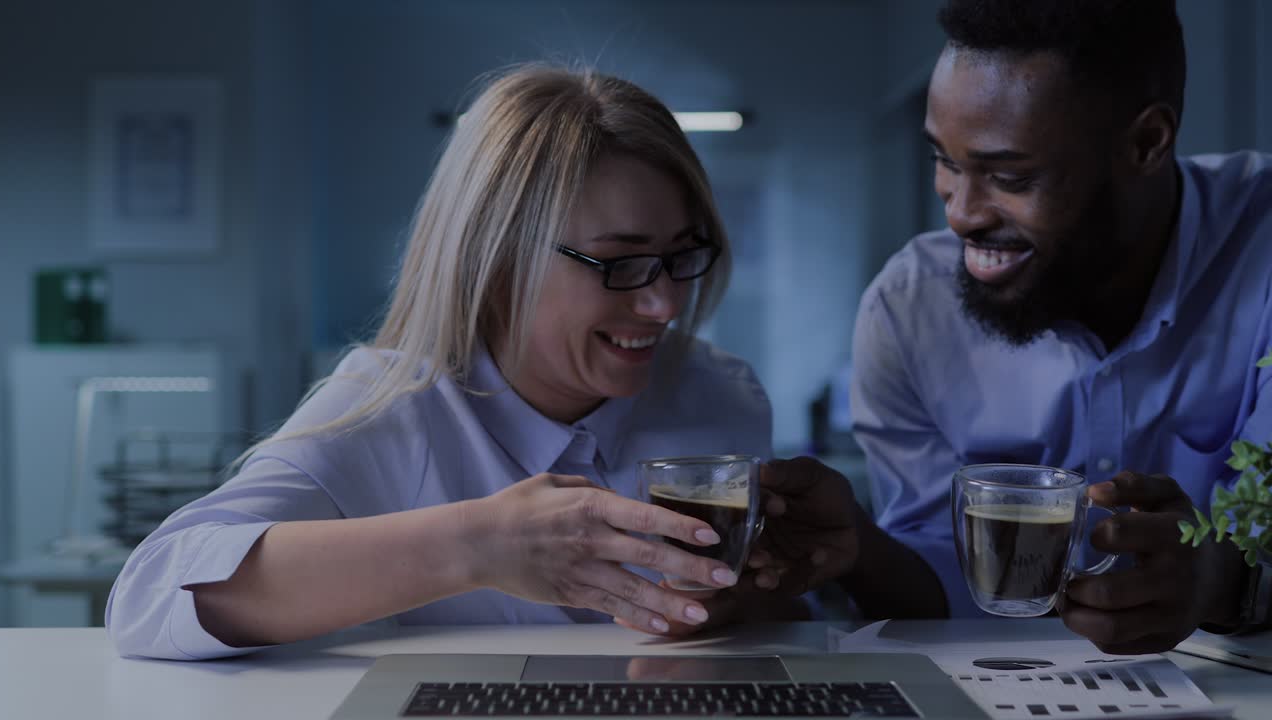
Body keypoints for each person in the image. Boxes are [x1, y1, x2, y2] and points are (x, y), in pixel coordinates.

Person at [105, 64, 791, 661]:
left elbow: (755, 624)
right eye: (621, 262)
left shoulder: (720, 394)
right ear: (495, 258)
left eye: (682, 255)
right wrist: (475, 546)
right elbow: (148, 597)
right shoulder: (390, 407)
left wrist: (765, 587)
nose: (664, 303)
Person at [683, 0, 1272, 655]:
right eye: (945, 161)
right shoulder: (910, 311)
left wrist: (1230, 584)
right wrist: (861, 548)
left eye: (1010, 176)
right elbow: (945, 588)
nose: (961, 214)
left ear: (1145, 144)